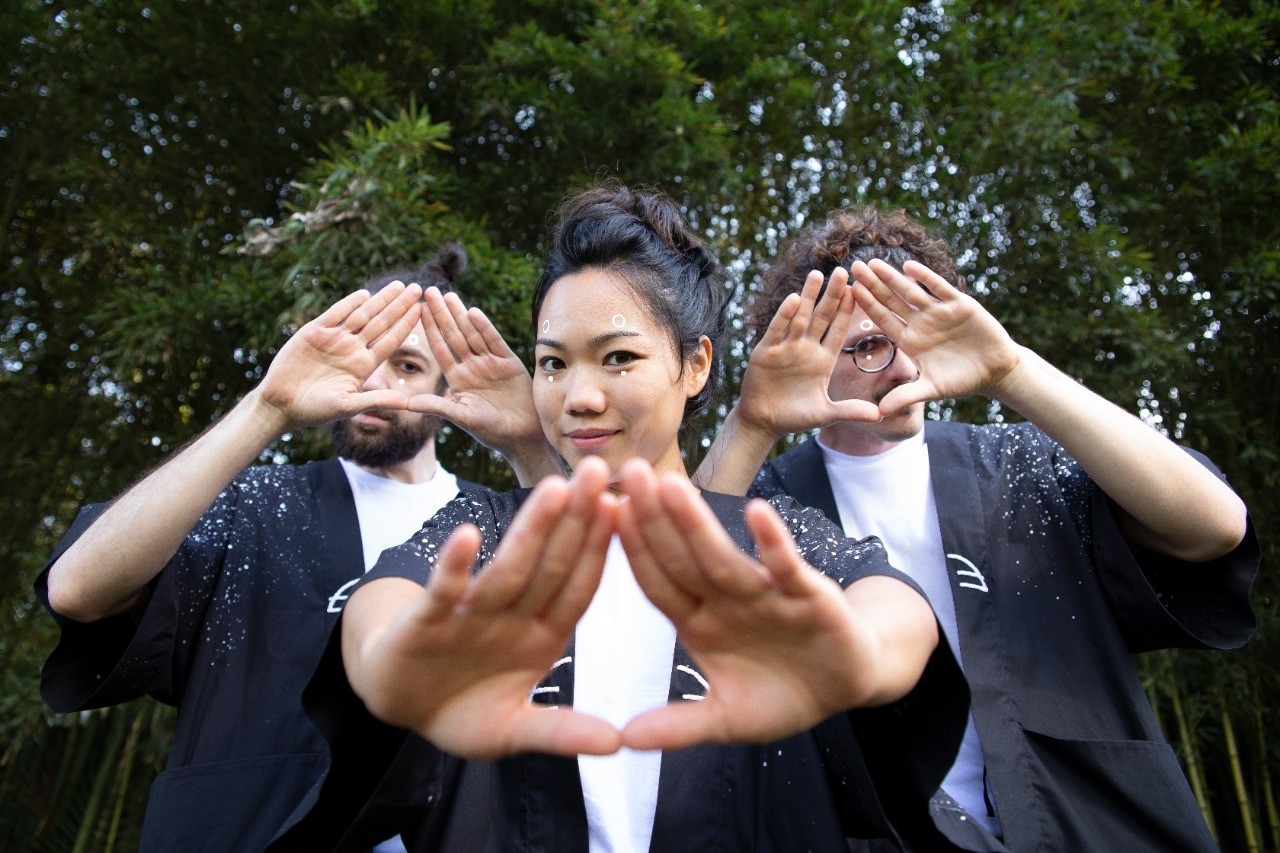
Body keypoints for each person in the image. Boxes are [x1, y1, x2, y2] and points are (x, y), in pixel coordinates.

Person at [282, 185, 969, 852]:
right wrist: (388, 663)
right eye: (553, 363)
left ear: (694, 365)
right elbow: (386, 600)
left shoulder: (768, 532)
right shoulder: (488, 526)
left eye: (618, 358)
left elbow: (892, 603)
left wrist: (860, 653)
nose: (579, 396)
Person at [693, 207, 1259, 851]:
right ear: (812, 351)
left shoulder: (1020, 464)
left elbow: (1215, 528)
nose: (903, 368)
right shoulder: (767, 502)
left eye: (914, 338)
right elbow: (667, 600)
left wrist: (1011, 371)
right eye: (871, 346)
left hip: (1092, 827)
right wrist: (753, 423)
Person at [36, 246, 559, 852]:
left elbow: (603, 624)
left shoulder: (490, 521)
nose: (376, 382)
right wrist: (267, 409)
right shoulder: (257, 504)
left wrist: (530, 448)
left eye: (408, 366)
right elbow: (76, 590)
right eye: (366, 358)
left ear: (447, 387)